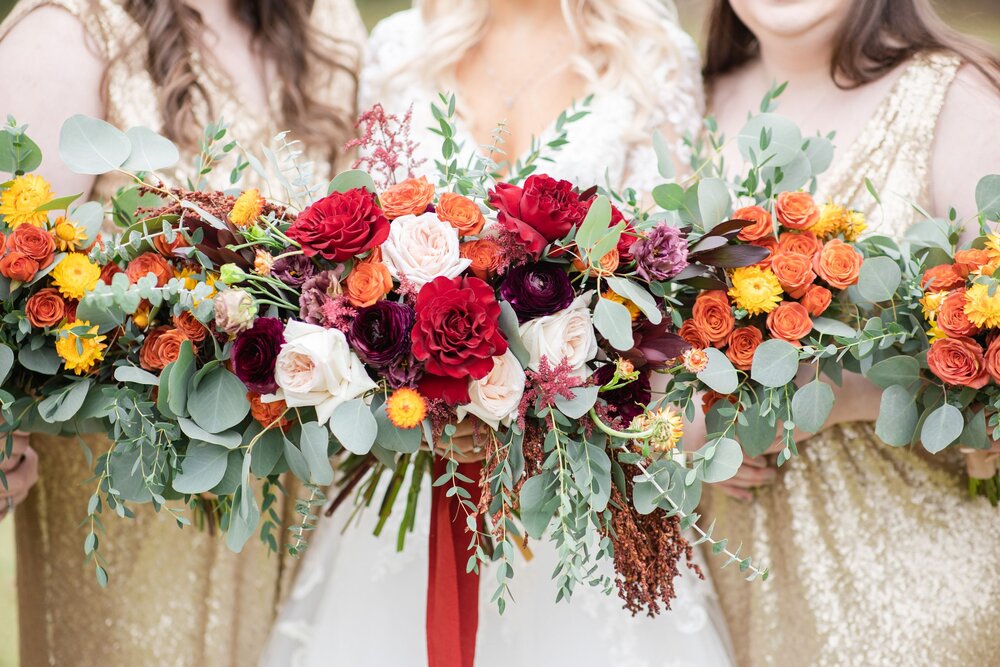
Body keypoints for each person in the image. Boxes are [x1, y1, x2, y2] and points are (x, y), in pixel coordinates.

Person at [260, 1, 737, 666]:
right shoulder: (399, 47)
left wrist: (557, 405)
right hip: (426, 477)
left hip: (587, 487)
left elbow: (671, 288)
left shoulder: (653, 50)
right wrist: (419, 403)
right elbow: (360, 271)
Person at [0, 1, 364, 664]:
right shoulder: (69, 33)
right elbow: (9, 288)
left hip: (297, 520)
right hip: (128, 534)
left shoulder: (326, 28)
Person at [695, 1, 1000, 664]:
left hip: (920, 610)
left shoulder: (956, 102)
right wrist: (688, 430)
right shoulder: (687, 104)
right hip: (728, 606)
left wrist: (848, 395)